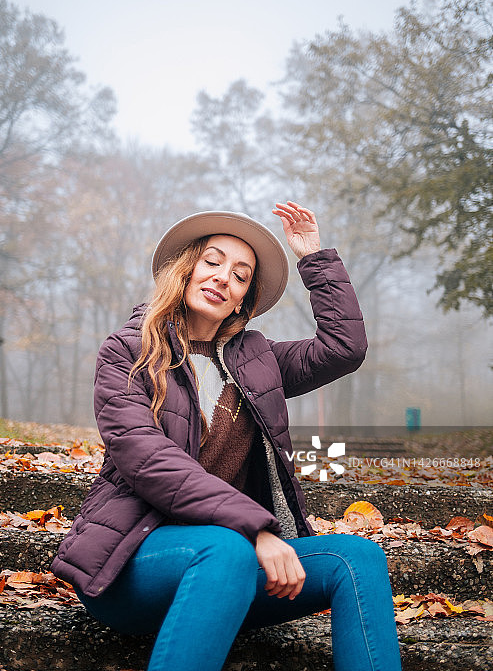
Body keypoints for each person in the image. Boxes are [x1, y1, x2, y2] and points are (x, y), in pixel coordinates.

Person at [51, 201, 402, 671]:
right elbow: (149, 460)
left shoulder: (257, 359)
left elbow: (343, 348)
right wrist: (254, 527)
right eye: (212, 262)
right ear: (186, 269)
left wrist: (312, 257)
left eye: (240, 275)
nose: (223, 278)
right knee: (225, 549)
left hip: (233, 564)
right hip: (133, 562)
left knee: (356, 558)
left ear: (243, 299)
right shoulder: (129, 350)